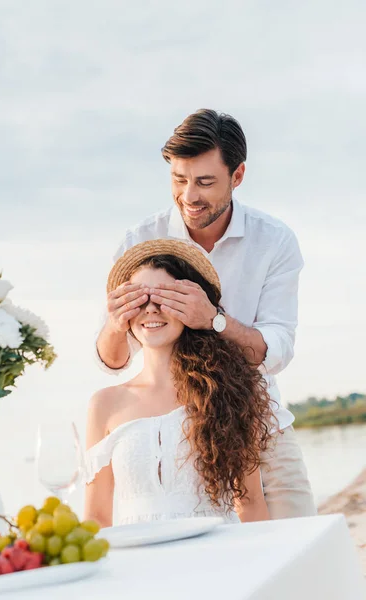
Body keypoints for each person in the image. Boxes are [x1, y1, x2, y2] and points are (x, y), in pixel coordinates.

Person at [95, 108, 316, 519]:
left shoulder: (275, 242)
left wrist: (213, 320)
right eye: (179, 180)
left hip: (260, 424)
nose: (189, 196)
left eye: (205, 182)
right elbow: (113, 360)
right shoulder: (139, 240)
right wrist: (114, 323)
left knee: (300, 549)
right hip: (172, 431)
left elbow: (277, 350)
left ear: (238, 176)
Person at [85, 240, 275, 526]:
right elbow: (96, 517)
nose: (150, 309)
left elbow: (249, 504)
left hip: (218, 557)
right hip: (139, 563)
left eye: (164, 297)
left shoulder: (225, 392)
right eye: (138, 298)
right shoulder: (104, 404)